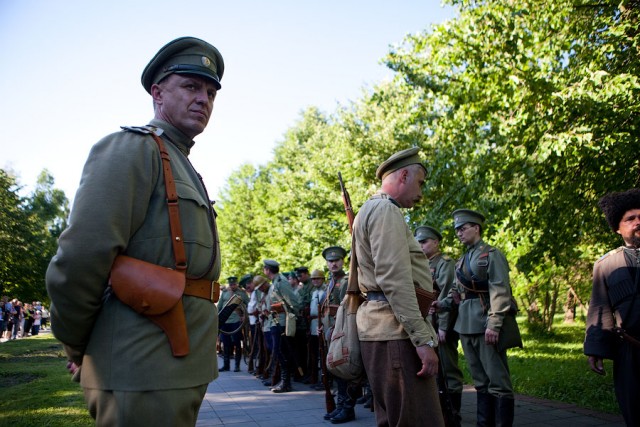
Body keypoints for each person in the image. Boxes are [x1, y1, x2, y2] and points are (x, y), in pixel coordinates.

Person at [45, 36, 224, 426]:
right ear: (157, 93)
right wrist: (80, 346)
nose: (204, 99)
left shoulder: (179, 161)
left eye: (210, 92)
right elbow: (80, 259)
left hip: (178, 365)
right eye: (191, 87)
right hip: (141, 365)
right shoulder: (132, 149)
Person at [352, 147, 444, 427]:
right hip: (395, 332)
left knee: (393, 419)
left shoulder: (370, 209)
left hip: (384, 329)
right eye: (420, 182)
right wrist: (422, 339)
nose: (421, 192)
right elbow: (394, 279)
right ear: (404, 175)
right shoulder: (385, 211)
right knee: (416, 420)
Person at [435, 209, 519, 427]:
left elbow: (500, 291)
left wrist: (494, 324)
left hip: (485, 324)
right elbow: (456, 293)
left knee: (497, 381)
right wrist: (440, 305)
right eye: (457, 230)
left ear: (476, 228)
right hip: (466, 325)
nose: (459, 234)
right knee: (480, 382)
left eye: (463, 229)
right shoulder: (462, 260)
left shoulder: (491, 255)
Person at [585, 188, 640, 426]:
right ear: (618, 228)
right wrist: (596, 348)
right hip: (630, 349)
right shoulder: (606, 265)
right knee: (634, 408)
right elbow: (600, 308)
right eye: (631, 219)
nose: (638, 222)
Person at [415, 225, 464, 426]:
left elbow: (446, 298)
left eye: (424, 241)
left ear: (436, 242)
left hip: (442, 325)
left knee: (448, 369)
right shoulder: (419, 264)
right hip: (426, 324)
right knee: (434, 371)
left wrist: (443, 328)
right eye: (418, 242)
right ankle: (438, 413)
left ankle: (453, 415)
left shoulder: (445, 264)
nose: (421, 245)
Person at [320, 245, 361, 424]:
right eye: (330, 261)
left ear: (342, 261)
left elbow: (346, 307)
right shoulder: (331, 280)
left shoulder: (345, 280)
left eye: (336, 261)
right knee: (337, 368)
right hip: (332, 331)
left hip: (343, 330)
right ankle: (340, 405)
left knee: (345, 368)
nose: (333, 264)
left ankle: (347, 408)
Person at [262, 259, 301, 393]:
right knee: (278, 351)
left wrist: (290, 315)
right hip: (275, 321)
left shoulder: (281, 282)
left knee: (282, 351)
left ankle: (286, 382)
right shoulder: (275, 282)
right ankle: (284, 380)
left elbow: (294, 303)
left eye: (264, 268)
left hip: (282, 322)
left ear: (267, 270)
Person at [217, 276, 249, 372]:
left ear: (237, 284)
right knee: (226, 343)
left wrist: (245, 315)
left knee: (237, 342)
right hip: (225, 321)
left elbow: (248, 304)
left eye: (234, 284)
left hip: (236, 321)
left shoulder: (242, 293)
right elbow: (220, 306)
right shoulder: (225, 293)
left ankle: (237, 366)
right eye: (231, 284)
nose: (232, 286)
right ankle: (226, 365)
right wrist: (217, 317)